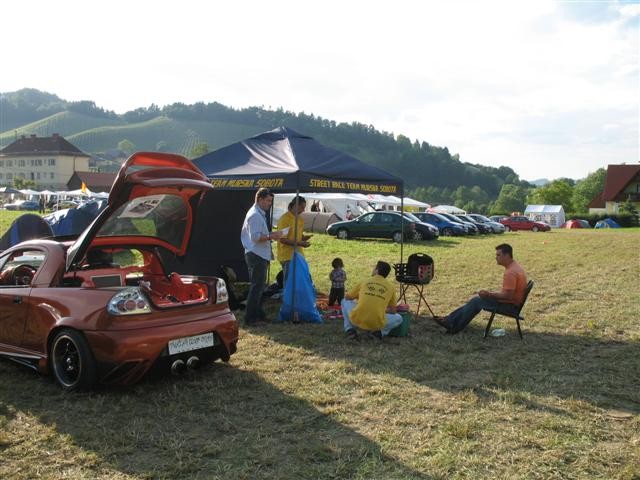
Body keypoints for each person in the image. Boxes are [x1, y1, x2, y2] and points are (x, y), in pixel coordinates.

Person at [432, 243, 528, 334]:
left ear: (506, 256)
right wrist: (489, 295)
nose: (496, 258)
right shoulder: (515, 266)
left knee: (477, 301)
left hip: (510, 306)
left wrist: (489, 294)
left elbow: (508, 296)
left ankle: (453, 326)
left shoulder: (510, 272)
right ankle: (449, 320)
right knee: (477, 300)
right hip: (513, 304)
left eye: (498, 255)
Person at [240, 188, 283, 326]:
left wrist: (271, 235)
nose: (270, 204)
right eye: (268, 201)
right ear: (260, 199)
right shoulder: (255, 215)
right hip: (256, 254)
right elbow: (256, 237)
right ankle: (251, 318)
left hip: (257, 253)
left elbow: (259, 234)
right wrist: (272, 236)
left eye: (271, 201)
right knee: (257, 287)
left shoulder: (259, 213)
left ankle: (258, 314)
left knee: (259, 286)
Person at [341, 260, 403, 340]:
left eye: (374, 268)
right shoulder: (391, 287)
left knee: (344, 301)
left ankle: (350, 330)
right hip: (376, 324)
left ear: (377, 270)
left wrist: (359, 299)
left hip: (357, 320)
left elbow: (347, 297)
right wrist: (381, 309)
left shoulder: (364, 281)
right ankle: (378, 333)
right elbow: (393, 311)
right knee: (399, 318)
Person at [276, 196, 312, 282]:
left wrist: (304, 238)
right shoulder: (285, 219)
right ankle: (287, 296)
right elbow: (282, 239)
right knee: (289, 282)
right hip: (287, 256)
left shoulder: (300, 219)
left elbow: (298, 236)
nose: (303, 210)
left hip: (298, 255)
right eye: (302, 207)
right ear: (295, 205)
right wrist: (300, 243)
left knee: (299, 281)